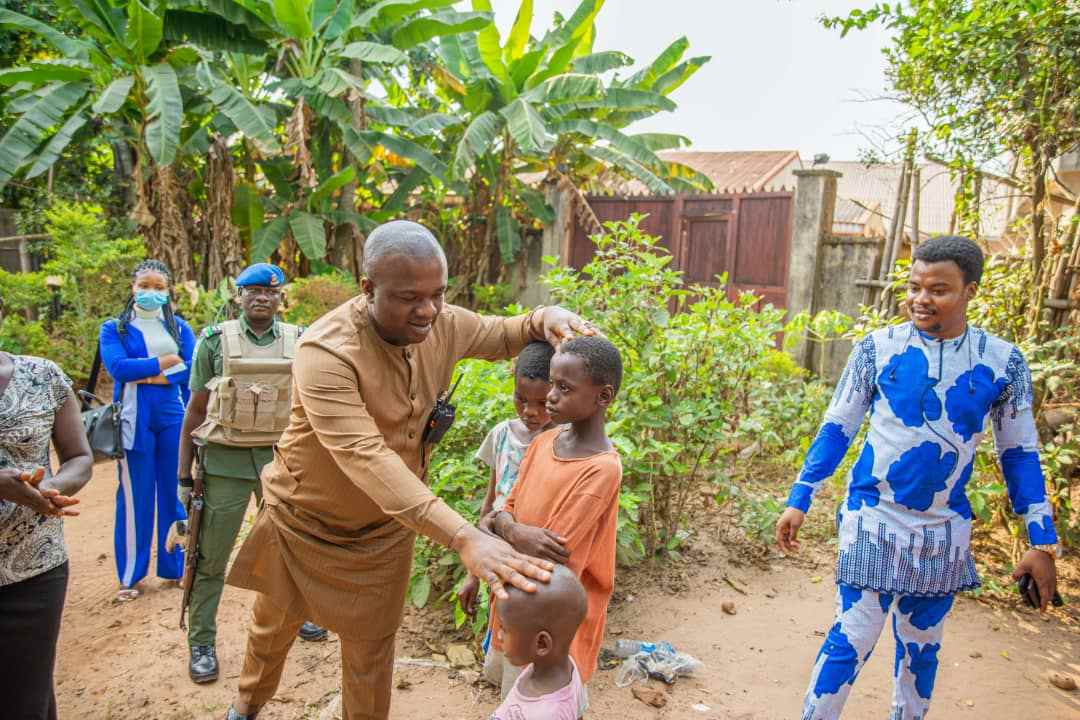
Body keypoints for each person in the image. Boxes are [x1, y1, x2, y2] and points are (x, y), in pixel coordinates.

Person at [222, 220, 596, 720]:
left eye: (438, 294)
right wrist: (465, 536)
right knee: (272, 631)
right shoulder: (325, 352)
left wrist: (545, 316)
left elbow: (500, 332)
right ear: (367, 289)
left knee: (371, 652)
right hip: (303, 524)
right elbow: (364, 455)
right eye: (409, 297)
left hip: (384, 530)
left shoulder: (440, 323)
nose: (428, 310)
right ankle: (245, 707)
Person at [775, 235, 1059, 719]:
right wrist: (801, 497)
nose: (921, 299)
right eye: (914, 286)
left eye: (939, 289)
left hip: (943, 531)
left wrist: (1041, 540)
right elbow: (837, 428)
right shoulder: (877, 349)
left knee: (920, 654)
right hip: (872, 517)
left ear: (970, 290)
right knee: (851, 639)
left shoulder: (1002, 362)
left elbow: (1020, 453)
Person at [176, 263, 327, 685]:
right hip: (224, 464)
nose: (262, 297)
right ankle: (202, 643)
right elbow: (197, 410)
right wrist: (183, 476)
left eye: (270, 292)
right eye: (252, 291)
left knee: (293, 546)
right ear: (237, 296)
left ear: (281, 299)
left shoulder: (301, 341)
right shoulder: (213, 342)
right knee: (210, 557)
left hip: (282, 461)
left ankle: (303, 615)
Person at [482, 335, 623, 699]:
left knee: (543, 699)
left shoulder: (601, 468)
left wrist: (503, 527)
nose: (551, 396)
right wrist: (510, 528)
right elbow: (504, 508)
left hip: (552, 617)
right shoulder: (545, 442)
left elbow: (551, 550)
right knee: (515, 693)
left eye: (564, 387)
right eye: (552, 383)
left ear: (603, 397)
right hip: (516, 600)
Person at [0, 351, 93, 719]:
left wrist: (50, 489)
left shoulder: (42, 374)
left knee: (28, 696)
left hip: (35, 568)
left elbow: (79, 457)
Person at [100, 259, 196, 601]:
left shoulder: (180, 327)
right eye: (145, 286)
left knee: (175, 492)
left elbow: (191, 370)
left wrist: (151, 375)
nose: (151, 293)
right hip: (133, 419)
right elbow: (119, 368)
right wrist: (166, 363)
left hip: (173, 416)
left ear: (168, 291)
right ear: (133, 287)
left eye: (159, 287)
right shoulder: (116, 329)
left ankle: (175, 567)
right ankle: (131, 575)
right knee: (134, 495)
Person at [458, 340, 558, 620]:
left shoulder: (561, 441)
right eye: (521, 399)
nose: (530, 411)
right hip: (499, 553)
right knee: (502, 626)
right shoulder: (502, 435)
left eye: (542, 403)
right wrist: (473, 575)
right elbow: (489, 504)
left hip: (538, 559)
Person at [489, 564, 589, 720]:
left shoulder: (547, 713)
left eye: (504, 629)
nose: (499, 636)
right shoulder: (567, 668)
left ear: (541, 644)